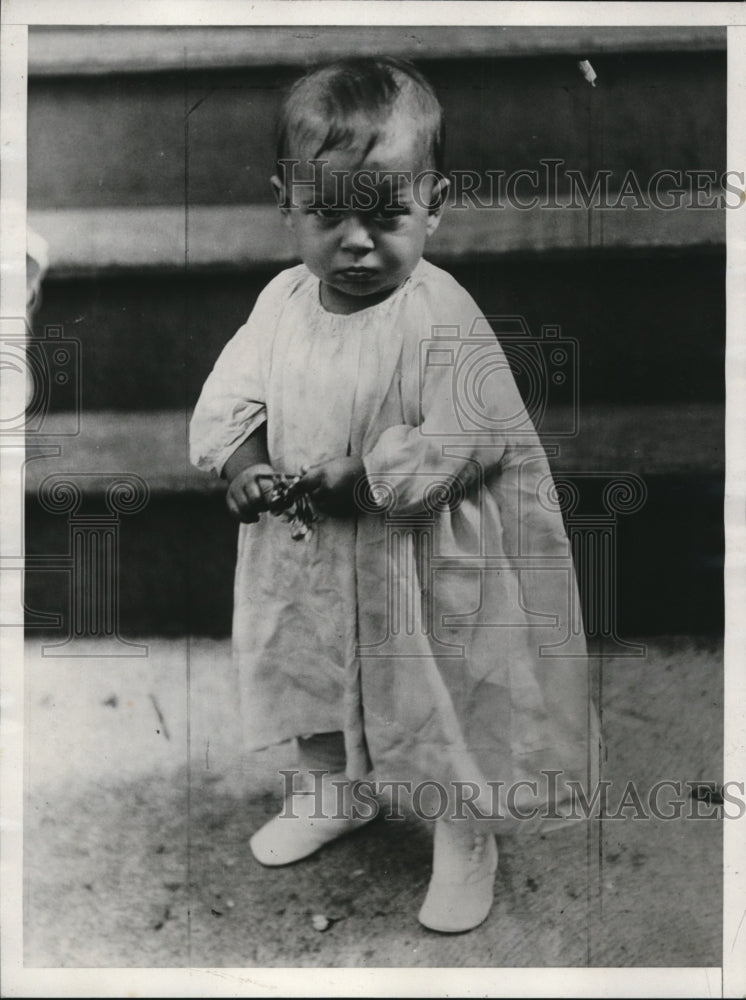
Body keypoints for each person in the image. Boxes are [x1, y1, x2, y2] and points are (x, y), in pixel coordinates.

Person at [190, 56, 598, 934]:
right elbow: (232, 397)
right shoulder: (281, 303)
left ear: (434, 204)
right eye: (327, 213)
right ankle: (335, 791)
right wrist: (246, 466)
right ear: (286, 204)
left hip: (417, 559)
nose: (358, 241)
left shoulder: (440, 313)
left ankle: (464, 836)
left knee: (441, 695)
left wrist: (369, 476)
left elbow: (473, 432)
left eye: (387, 215)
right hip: (310, 557)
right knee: (310, 670)